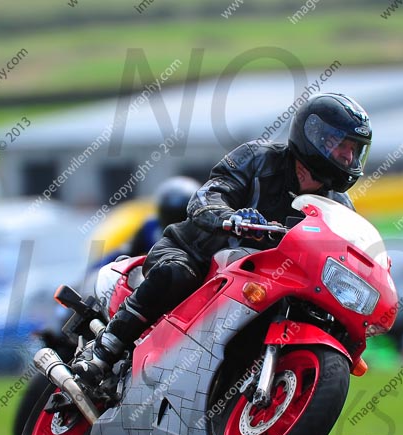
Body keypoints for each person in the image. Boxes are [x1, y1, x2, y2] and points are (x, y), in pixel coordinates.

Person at [76, 93, 373, 386]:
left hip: (266, 285)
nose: (348, 157)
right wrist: (229, 217)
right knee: (175, 274)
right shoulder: (257, 157)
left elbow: (345, 252)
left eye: (354, 149)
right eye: (342, 146)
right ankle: (104, 351)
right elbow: (209, 194)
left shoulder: (339, 207)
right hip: (198, 256)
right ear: (315, 136)